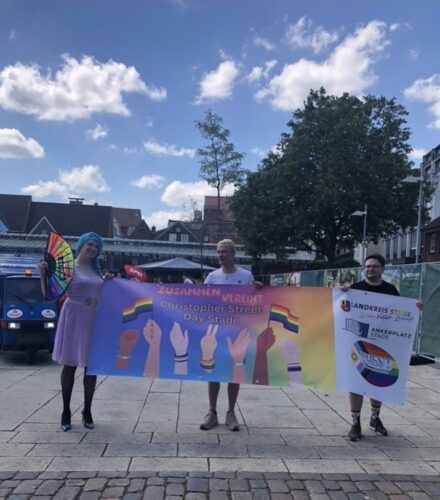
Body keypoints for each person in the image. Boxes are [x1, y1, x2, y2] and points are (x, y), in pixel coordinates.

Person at [38, 232, 107, 432]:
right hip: (74, 316)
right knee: (70, 366)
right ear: (82, 244)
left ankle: (87, 410)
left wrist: (108, 281)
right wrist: (43, 273)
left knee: (91, 368)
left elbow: (103, 293)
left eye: (97, 246)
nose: (93, 248)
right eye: (90, 244)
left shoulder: (96, 270)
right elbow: (49, 294)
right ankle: (66, 411)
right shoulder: (68, 268)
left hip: (94, 319)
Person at [200, 239, 256, 432]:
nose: (220, 256)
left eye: (224, 252)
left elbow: (253, 301)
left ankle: (231, 412)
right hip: (216, 330)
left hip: (237, 330)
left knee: (235, 371)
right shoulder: (212, 277)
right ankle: (212, 412)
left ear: (233, 254)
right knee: (213, 371)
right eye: (218, 252)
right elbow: (201, 300)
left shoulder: (246, 276)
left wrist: (261, 291)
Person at [347, 253, 399, 442]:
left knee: (378, 380)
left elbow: (400, 313)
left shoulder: (391, 290)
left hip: (382, 343)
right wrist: (342, 294)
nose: (370, 269)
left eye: (374, 266)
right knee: (356, 384)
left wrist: (415, 307)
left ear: (382, 269)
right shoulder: (355, 288)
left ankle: (375, 418)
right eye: (367, 266)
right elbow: (343, 308)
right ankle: (355, 422)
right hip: (358, 343)